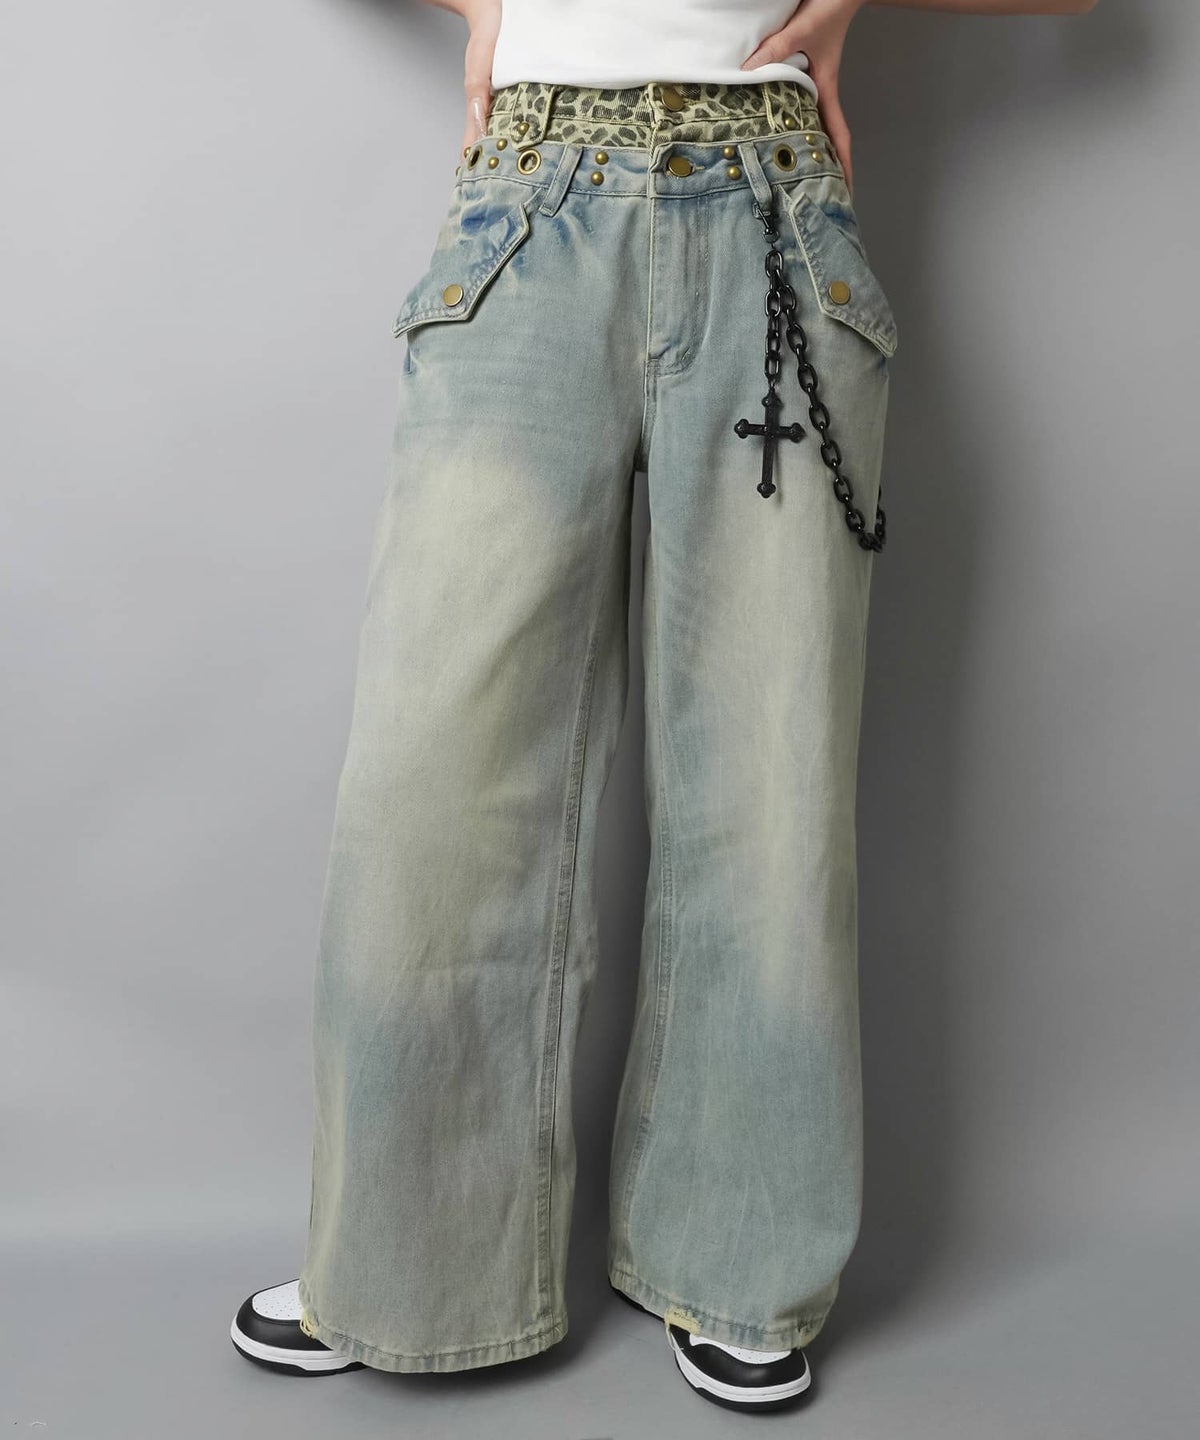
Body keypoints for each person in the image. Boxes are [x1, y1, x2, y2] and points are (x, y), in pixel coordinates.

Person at [229, 0, 1099, 1414]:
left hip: (772, 212)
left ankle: (736, 1259)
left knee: (766, 777)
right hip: (531, 205)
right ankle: (403, 1262)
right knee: (432, 780)